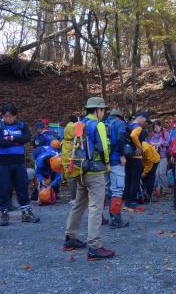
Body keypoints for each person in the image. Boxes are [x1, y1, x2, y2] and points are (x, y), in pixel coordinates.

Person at [63, 97, 114, 261]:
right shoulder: (98, 125)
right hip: (95, 172)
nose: (103, 113)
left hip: (81, 171)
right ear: (98, 110)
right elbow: (104, 148)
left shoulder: (81, 124)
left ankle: (70, 237)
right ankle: (94, 246)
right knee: (96, 208)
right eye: (103, 110)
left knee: (79, 204)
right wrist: (107, 164)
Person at [0, 103, 39, 225]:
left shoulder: (21, 125)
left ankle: (26, 213)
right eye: (6, 116)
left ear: (15, 116)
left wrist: (10, 138)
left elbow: (26, 138)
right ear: (2, 116)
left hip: (18, 162)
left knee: (22, 186)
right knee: (4, 187)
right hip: (3, 162)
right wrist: (16, 139)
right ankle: (4, 213)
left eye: (11, 116)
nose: (8, 119)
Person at [105, 109, 130, 228]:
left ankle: (100, 217)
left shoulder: (103, 123)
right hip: (115, 161)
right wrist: (121, 155)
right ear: (119, 116)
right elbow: (120, 138)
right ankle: (116, 219)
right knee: (117, 190)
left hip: (104, 162)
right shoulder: (119, 123)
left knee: (106, 190)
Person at [125, 112, 151, 211]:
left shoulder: (128, 124)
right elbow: (133, 135)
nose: (146, 124)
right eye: (146, 121)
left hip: (128, 156)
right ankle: (132, 202)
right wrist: (139, 147)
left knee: (128, 180)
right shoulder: (138, 127)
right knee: (135, 181)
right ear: (141, 118)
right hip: (136, 158)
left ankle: (127, 202)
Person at [148, 120, 170, 198]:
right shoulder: (153, 135)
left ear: (160, 126)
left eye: (156, 127)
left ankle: (165, 189)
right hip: (155, 156)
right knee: (156, 174)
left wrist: (160, 144)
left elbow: (169, 142)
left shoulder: (165, 133)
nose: (155, 129)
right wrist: (153, 144)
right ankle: (157, 189)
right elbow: (150, 142)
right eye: (154, 128)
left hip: (163, 156)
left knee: (162, 173)